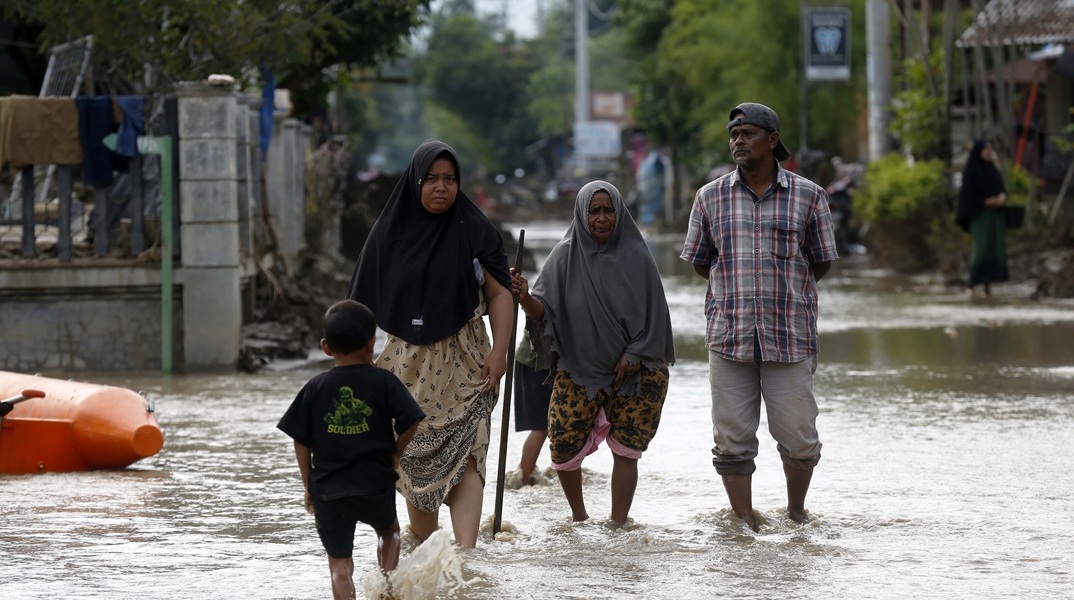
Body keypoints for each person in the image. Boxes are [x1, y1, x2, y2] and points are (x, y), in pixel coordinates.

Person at [346, 139, 514, 548]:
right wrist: (355, 369)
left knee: (470, 453)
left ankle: (467, 561)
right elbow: (357, 310)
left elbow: (499, 293)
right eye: (432, 179)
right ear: (415, 182)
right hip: (408, 368)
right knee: (415, 462)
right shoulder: (388, 236)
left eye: (450, 179)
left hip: (468, 362)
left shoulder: (474, 229)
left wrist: (500, 352)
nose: (441, 187)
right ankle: (424, 552)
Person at [680, 102, 838, 531]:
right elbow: (699, 261)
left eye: (747, 134)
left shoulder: (810, 196)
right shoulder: (709, 197)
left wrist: (784, 291)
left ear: (773, 141)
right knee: (730, 438)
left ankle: (796, 512)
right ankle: (744, 519)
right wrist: (735, 292)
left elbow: (821, 262)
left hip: (789, 336)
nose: (738, 141)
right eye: (733, 134)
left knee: (800, 436)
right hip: (729, 336)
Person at [512, 180, 675, 525]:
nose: (602, 218)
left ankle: (619, 522)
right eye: (594, 211)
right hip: (578, 369)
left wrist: (634, 355)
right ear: (582, 215)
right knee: (563, 446)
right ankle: (579, 518)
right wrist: (525, 297)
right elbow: (544, 312)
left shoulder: (637, 256)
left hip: (633, 370)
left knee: (628, 450)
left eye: (608, 210)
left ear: (619, 212)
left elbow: (656, 317)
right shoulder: (562, 257)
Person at [277, 300, 425, 600]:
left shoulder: (315, 387)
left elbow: (301, 441)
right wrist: (395, 454)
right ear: (372, 344)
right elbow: (411, 421)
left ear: (325, 347)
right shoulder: (383, 381)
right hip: (375, 484)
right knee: (390, 532)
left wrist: (309, 484)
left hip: (330, 491)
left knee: (339, 566)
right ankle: (386, 586)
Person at [955, 139, 1009, 297]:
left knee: (994, 249)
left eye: (990, 149)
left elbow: (1001, 188)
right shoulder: (972, 171)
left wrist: (1001, 198)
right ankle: (971, 285)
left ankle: (988, 287)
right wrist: (985, 202)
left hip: (995, 216)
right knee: (981, 250)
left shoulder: (993, 170)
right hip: (980, 215)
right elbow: (968, 196)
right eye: (986, 149)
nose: (989, 152)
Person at [511, 328, 554, 486]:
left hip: (543, 360)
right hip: (536, 363)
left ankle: (530, 477)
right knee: (542, 425)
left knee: (554, 425)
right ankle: (525, 478)